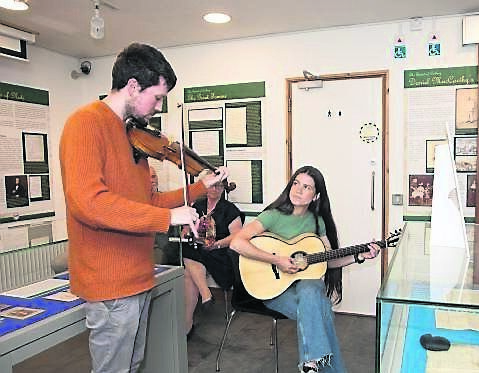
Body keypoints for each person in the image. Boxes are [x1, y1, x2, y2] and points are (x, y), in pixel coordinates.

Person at [59, 42, 229, 373]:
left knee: (131, 366)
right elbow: (88, 203)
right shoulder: (85, 124)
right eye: (158, 97)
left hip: (137, 277)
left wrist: (198, 188)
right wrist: (166, 218)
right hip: (110, 283)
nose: (158, 107)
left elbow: (143, 205)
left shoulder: (130, 136)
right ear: (133, 86)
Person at [230, 165, 379, 373]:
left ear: (316, 195)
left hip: (307, 288)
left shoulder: (317, 222)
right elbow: (237, 243)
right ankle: (319, 364)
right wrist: (277, 260)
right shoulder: (273, 215)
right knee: (322, 311)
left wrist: (359, 256)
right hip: (274, 289)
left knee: (310, 289)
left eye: (306, 187)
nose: (298, 190)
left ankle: (310, 365)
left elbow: (327, 260)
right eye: (296, 183)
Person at [180, 180, 243, 338]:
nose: (214, 189)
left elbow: (237, 236)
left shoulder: (229, 209)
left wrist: (217, 244)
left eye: (218, 186)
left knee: (190, 265)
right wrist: (189, 232)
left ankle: (187, 325)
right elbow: (185, 230)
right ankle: (204, 296)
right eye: (211, 185)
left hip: (220, 254)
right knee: (190, 257)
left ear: (223, 189)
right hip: (198, 252)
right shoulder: (197, 206)